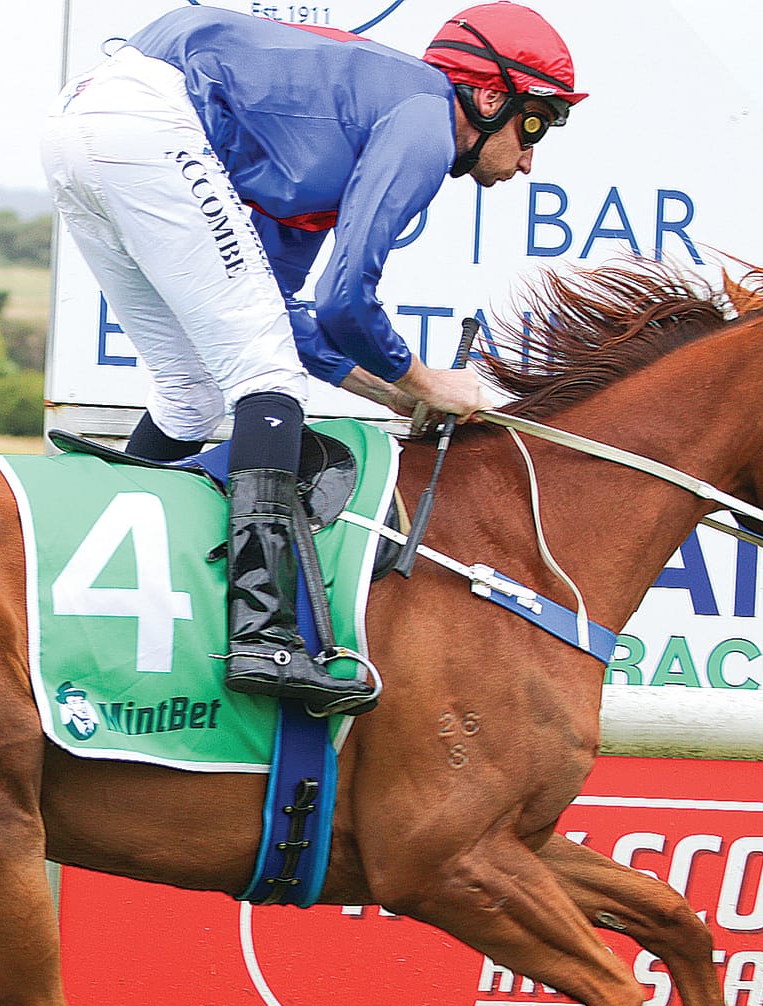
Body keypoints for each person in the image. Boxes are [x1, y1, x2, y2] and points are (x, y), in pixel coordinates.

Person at [42, 4, 583, 714]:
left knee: (191, 395)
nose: (532, 154)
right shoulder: (424, 119)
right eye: (537, 122)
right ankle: (264, 634)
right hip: (143, 121)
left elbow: (287, 309)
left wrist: (394, 394)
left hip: (79, 124)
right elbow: (347, 299)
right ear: (489, 97)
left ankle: (71, 583)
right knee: (264, 379)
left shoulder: (352, 127)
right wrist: (426, 381)